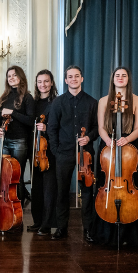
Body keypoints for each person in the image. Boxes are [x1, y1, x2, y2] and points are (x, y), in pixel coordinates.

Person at [93, 67, 138, 249]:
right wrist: (108, 140)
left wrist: (126, 139)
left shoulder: (137, 100)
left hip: (130, 146)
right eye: (117, 75)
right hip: (108, 146)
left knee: (134, 185)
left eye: (124, 75)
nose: (120, 78)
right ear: (113, 79)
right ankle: (106, 233)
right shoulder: (103, 101)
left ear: (128, 79)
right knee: (105, 184)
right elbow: (101, 127)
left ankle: (133, 236)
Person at [46, 66, 98, 241]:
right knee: (62, 191)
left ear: (82, 79)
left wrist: (89, 138)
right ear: (66, 80)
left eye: (77, 76)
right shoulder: (58, 102)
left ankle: (89, 229)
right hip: (64, 152)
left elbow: (98, 128)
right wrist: (55, 150)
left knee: (87, 192)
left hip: (86, 154)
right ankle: (61, 228)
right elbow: (52, 129)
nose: (74, 79)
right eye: (70, 77)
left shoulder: (92, 102)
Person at [0, 66, 35, 206]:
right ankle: (7, 208)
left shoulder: (27, 98)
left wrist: (12, 112)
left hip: (19, 142)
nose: (11, 78)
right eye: (9, 76)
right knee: (5, 177)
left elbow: (30, 121)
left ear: (21, 77)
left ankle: (17, 210)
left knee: (17, 177)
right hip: (4, 141)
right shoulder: (4, 97)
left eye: (14, 75)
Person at [28, 69, 58, 235]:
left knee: (49, 188)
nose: (43, 85)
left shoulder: (57, 102)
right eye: (40, 82)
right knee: (36, 187)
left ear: (51, 83)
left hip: (50, 151)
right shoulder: (33, 102)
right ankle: (37, 221)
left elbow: (62, 126)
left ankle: (47, 224)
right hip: (36, 150)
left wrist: (47, 128)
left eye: (46, 81)